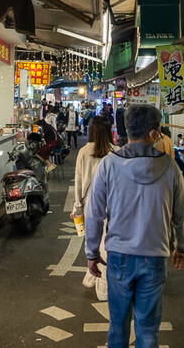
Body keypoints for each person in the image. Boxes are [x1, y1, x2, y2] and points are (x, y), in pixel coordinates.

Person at [85, 104, 184, 348]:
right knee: (148, 330)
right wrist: (182, 247)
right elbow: (181, 212)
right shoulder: (171, 168)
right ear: (153, 134)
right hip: (154, 257)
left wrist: (92, 252)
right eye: (160, 131)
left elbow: (94, 214)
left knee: (118, 327)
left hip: (119, 256)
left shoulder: (108, 165)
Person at [72, 117, 117, 289]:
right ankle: (94, 277)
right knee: (106, 241)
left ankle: (102, 286)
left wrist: (77, 207)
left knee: (93, 242)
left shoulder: (84, 152)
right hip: (112, 203)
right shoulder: (116, 151)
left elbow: (78, 181)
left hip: (90, 203)